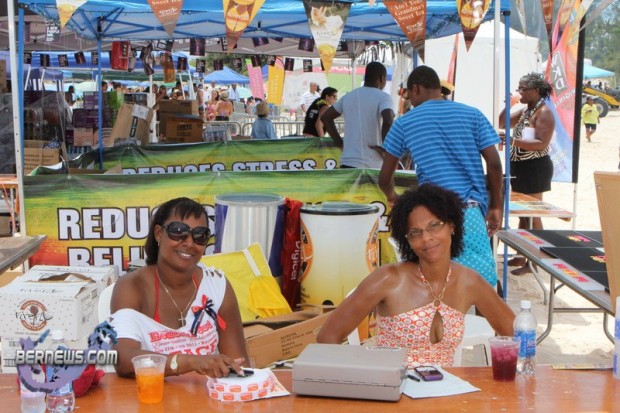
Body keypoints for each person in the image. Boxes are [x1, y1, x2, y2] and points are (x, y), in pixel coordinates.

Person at [317, 184, 515, 367]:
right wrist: (362, 377)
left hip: (446, 387)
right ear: (407, 240)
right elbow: (327, 337)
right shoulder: (389, 279)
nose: (426, 238)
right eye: (415, 232)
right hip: (393, 388)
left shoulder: (469, 282)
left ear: (452, 226)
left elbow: (516, 332)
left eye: (434, 226)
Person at [379, 65, 502, 287]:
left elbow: (385, 178)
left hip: (432, 216)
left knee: (434, 285)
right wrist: (495, 206)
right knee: (481, 284)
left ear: (416, 88)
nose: (409, 101)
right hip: (470, 213)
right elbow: (493, 163)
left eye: (409, 94)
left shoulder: (404, 123)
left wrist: (393, 198)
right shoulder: (473, 114)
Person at [110, 197, 248, 378]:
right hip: (152, 393)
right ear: (159, 233)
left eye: (200, 235)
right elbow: (123, 358)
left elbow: (238, 365)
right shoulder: (132, 287)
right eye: (178, 231)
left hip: (206, 394)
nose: (189, 243)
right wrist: (191, 362)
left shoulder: (216, 285)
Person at [498, 72, 555, 275]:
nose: (519, 91)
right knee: (522, 213)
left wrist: (512, 141)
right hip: (520, 166)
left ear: (536, 91)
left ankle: (536, 260)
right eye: (519, 88)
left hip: (535, 167)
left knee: (532, 214)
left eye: (523, 88)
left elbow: (542, 143)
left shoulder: (544, 112)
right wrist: (510, 103)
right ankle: (523, 254)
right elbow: (502, 122)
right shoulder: (526, 110)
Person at [321, 62, 394, 168]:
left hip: (347, 162)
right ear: (382, 78)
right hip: (371, 164)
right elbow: (388, 120)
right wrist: (385, 148)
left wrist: (340, 143)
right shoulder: (384, 97)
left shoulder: (349, 96)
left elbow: (326, 117)